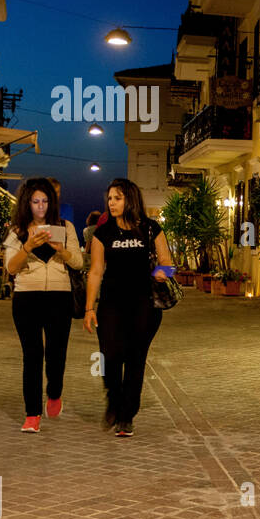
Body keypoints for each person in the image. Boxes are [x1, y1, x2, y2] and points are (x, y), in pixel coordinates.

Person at [85, 178, 173, 437]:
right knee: (110, 356)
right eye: (110, 198)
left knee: (135, 359)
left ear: (130, 200)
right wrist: (89, 308)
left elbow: (168, 262)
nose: (111, 203)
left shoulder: (150, 228)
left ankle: (126, 416)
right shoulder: (103, 233)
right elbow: (95, 271)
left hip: (144, 305)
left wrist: (161, 273)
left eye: (118, 198)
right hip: (111, 305)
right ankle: (113, 397)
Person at [3, 178, 84, 432]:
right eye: (36, 202)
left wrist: (61, 250)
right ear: (27, 203)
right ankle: (32, 414)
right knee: (32, 355)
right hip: (27, 297)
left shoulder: (65, 226)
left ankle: (55, 392)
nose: (40, 207)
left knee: (56, 354)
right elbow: (11, 268)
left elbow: (79, 264)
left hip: (59, 297)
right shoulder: (17, 230)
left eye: (45, 201)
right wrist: (27, 246)